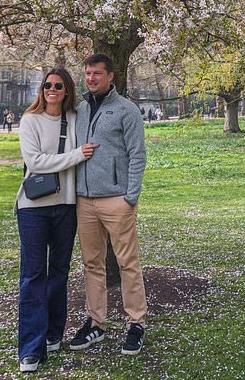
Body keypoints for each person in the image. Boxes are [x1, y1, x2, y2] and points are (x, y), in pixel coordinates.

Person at [68, 54, 148, 357]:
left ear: (111, 76)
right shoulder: (81, 109)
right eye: (87, 73)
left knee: (128, 262)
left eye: (97, 74)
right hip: (85, 200)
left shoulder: (126, 110)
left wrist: (130, 197)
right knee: (92, 263)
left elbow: (137, 155)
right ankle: (96, 323)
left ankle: (136, 323)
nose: (91, 78)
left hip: (117, 200)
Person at [15, 68, 93, 374]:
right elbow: (34, 161)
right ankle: (30, 348)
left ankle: (52, 334)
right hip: (33, 208)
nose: (52, 89)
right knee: (34, 275)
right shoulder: (30, 120)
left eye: (58, 86)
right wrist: (75, 156)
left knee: (59, 273)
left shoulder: (75, 118)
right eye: (47, 85)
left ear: (67, 90)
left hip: (66, 206)